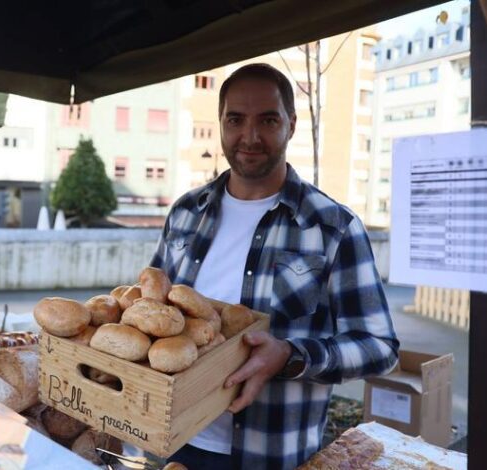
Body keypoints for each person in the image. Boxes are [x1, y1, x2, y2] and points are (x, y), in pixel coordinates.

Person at [151, 63, 399, 469]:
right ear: (220, 124)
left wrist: (291, 355)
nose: (249, 137)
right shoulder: (185, 213)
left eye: (267, 120)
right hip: (172, 444)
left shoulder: (332, 226)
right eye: (236, 119)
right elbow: (152, 312)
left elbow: (379, 347)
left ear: (292, 125)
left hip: (271, 454)